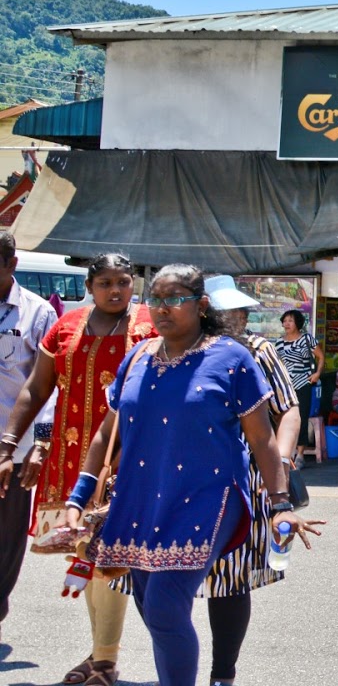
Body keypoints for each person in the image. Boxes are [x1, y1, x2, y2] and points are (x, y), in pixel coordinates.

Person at [65, 264, 321, 686]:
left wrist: (280, 506)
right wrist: (79, 496)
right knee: (150, 601)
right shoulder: (140, 357)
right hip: (140, 500)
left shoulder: (233, 357)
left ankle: (219, 675)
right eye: (156, 300)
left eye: (175, 299)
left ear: (201, 305)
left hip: (208, 499)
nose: (162, 309)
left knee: (167, 602)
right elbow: (106, 434)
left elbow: (263, 440)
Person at [0, 252, 151, 685]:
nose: (115, 290)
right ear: (89, 286)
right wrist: (16, 440)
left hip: (129, 461)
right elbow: (36, 388)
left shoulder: (148, 328)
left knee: (113, 557)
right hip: (73, 461)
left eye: (123, 281)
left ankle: (105, 660)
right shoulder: (66, 327)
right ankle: (101, 654)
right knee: (86, 552)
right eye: (105, 282)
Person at [190, 274, 314, 686]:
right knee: (159, 581)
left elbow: (289, 409)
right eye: (230, 311)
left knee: (230, 577)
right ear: (206, 311)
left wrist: (279, 457)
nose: (239, 317)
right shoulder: (176, 349)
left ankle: (222, 674)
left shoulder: (260, 351)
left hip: (243, 476)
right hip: (181, 476)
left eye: (242, 310)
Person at [0, 232, 60, 649]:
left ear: (12, 264)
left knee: (4, 543)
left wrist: (40, 444)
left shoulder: (37, 315)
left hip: (12, 452)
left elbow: (48, 389)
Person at [275, 309, 323, 453]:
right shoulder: (279, 343)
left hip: (303, 384)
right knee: (282, 417)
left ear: (298, 323)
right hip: (284, 386)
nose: (286, 324)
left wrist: (317, 374)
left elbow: (321, 357)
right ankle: (285, 452)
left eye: (290, 321)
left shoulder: (307, 339)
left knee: (301, 418)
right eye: (285, 321)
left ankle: (300, 453)